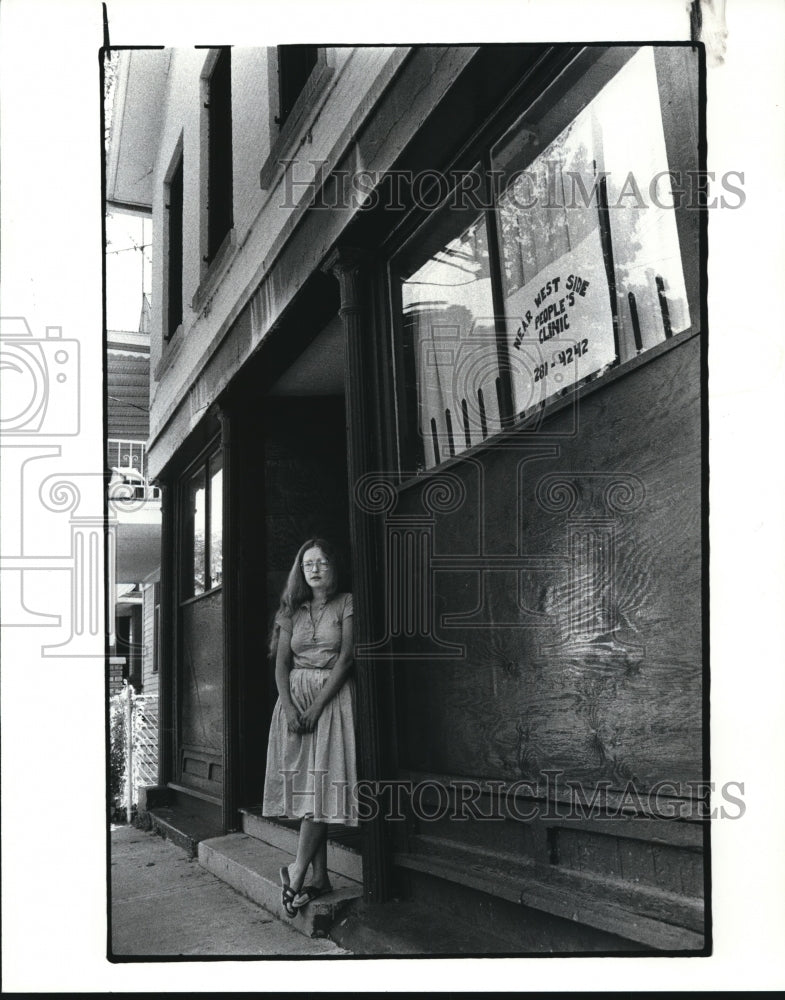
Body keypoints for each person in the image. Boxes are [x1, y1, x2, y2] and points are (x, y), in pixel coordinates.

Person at [262, 538, 357, 917]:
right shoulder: (292, 611)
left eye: (322, 562)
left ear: (333, 566)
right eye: (308, 564)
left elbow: (347, 658)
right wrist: (287, 706)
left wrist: (317, 707)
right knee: (308, 787)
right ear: (300, 571)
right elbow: (281, 663)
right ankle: (320, 879)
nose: (315, 569)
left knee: (322, 785)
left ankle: (296, 869)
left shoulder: (347, 603)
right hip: (294, 699)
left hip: (332, 699)